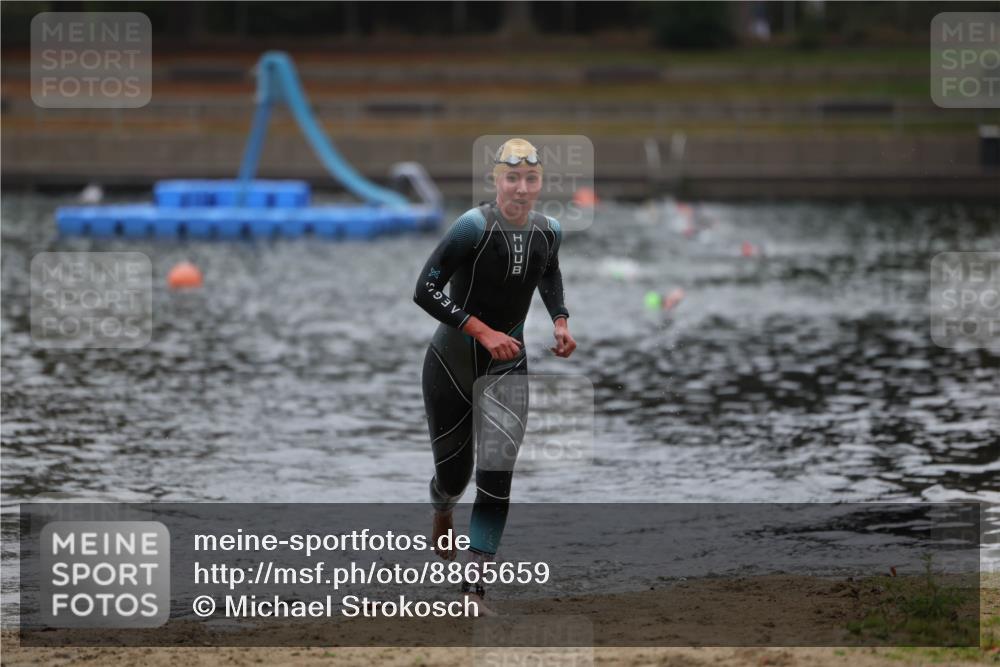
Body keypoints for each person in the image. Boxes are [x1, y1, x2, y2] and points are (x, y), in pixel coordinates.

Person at [413, 138, 577, 614]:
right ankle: (441, 506)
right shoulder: (472, 227)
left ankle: (473, 587)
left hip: (510, 364)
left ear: (540, 183)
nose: (521, 189)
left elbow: (548, 273)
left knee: (497, 476)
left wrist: (561, 321)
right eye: (512, 179)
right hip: (451, 363)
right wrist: (481, 331)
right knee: (454, 475)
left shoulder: (550, 231)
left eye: (530, 179)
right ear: (496, 181)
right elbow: (424, 289)